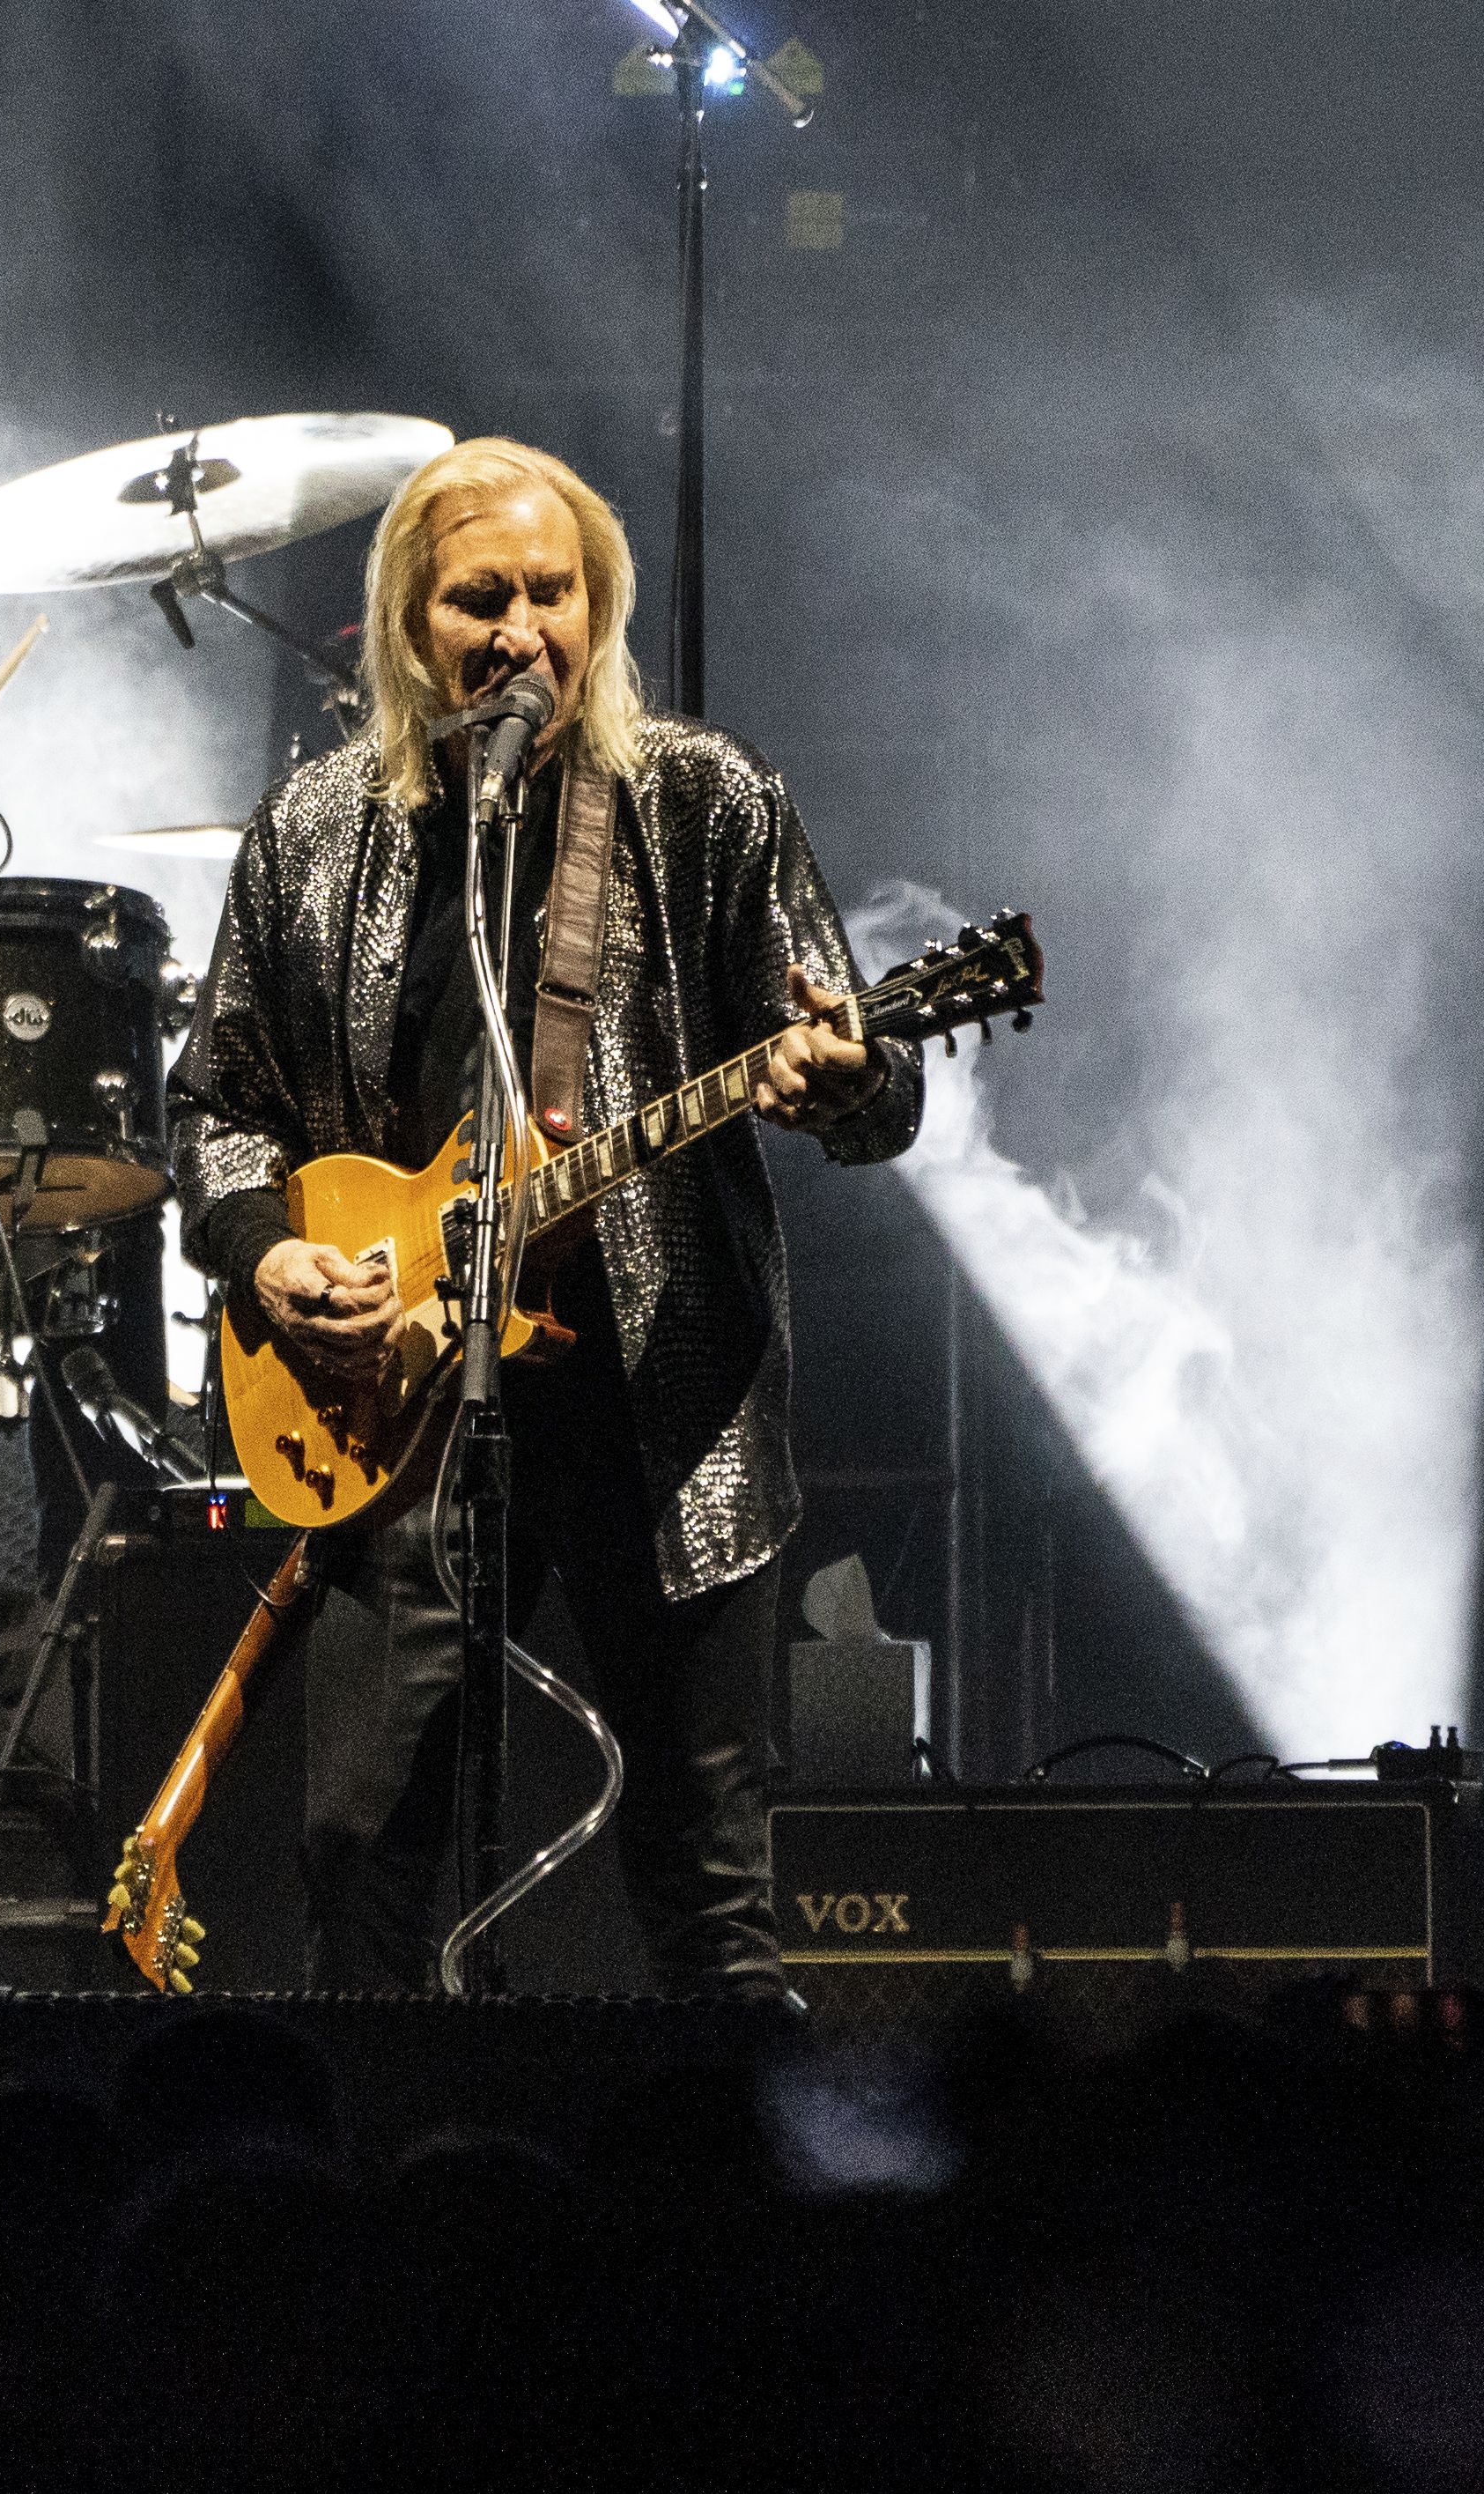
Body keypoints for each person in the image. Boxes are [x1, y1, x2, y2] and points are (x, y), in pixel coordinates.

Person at [166, 437, 924, 2002]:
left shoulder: (703, 802)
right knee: (360, 1860)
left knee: (709, 1890)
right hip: (400, 1409)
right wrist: (271, 1252)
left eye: (552, 591)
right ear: (408, 628)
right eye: (479, 596)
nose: (522, 627)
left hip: (663, 1407)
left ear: (601, 609)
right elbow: (214, 1104)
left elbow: (877, 1092)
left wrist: (848, 1072)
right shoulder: (312, 834)